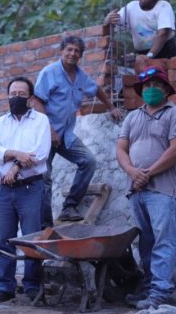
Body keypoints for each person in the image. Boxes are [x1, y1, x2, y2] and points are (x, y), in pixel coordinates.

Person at [116, 67, 176, 309]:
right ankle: (148, 289)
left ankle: (161, 293)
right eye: (146, 86)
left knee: (163, 241)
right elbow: (121, 150)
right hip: (136, 189)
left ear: (167, 89)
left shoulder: (175, 114)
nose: (151, 90)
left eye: (156, 85)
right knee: (146, 242)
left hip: (163, 190)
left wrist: (148, 173)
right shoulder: (132, 117)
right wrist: (132, 172)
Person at [34, 36, 122, 226]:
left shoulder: (81, 76)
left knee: (88, 161)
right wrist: (49, 129)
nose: (73, 54)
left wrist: (111, 107)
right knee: (45, 178)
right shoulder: (49, 72)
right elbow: (37, 101)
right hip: (44, 135)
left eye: (77, 51)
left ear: (80, 55)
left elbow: (96, 89)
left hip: (65, 135)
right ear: (62, 51)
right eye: (69, 50)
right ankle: (45, 224)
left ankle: (69, 207)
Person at [0, 77, 51, 303]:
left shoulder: (40, 121)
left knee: (32, 238)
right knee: (5, 238)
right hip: (5, 190)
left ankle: (32, 285)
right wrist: (16, 153)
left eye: (22, 94)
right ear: (8, 96)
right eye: (13, 93)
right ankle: (6, 287)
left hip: (31, 187)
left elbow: (40, 153)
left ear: (30, 98)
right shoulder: (1, 123)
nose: (17, 97)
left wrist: (15, 166)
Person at [104, 0, 176, 59]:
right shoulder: (131, 8)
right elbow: (111, 24)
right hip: (142, 55)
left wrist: (149, 56)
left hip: (166, 53)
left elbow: (163, 33)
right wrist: (107, 20)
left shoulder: (163, 6)